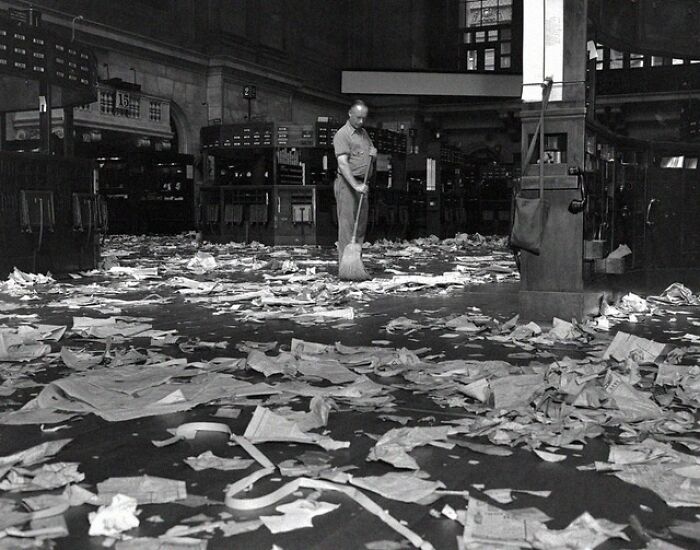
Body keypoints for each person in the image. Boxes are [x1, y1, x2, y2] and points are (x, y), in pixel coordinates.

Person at [333, 100, 377, 270]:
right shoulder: (342, 134)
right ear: (350, 114)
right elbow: (343, 164)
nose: (361, 121)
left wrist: (373, 154)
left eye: (363, 118)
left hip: (362, 184)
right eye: (358, 118)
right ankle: (345, 267)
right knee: (347, 228)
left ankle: (355, 265)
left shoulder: (363, 133)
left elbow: (369, 152)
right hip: (347, 184)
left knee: (359, 228)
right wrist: (355, 186)